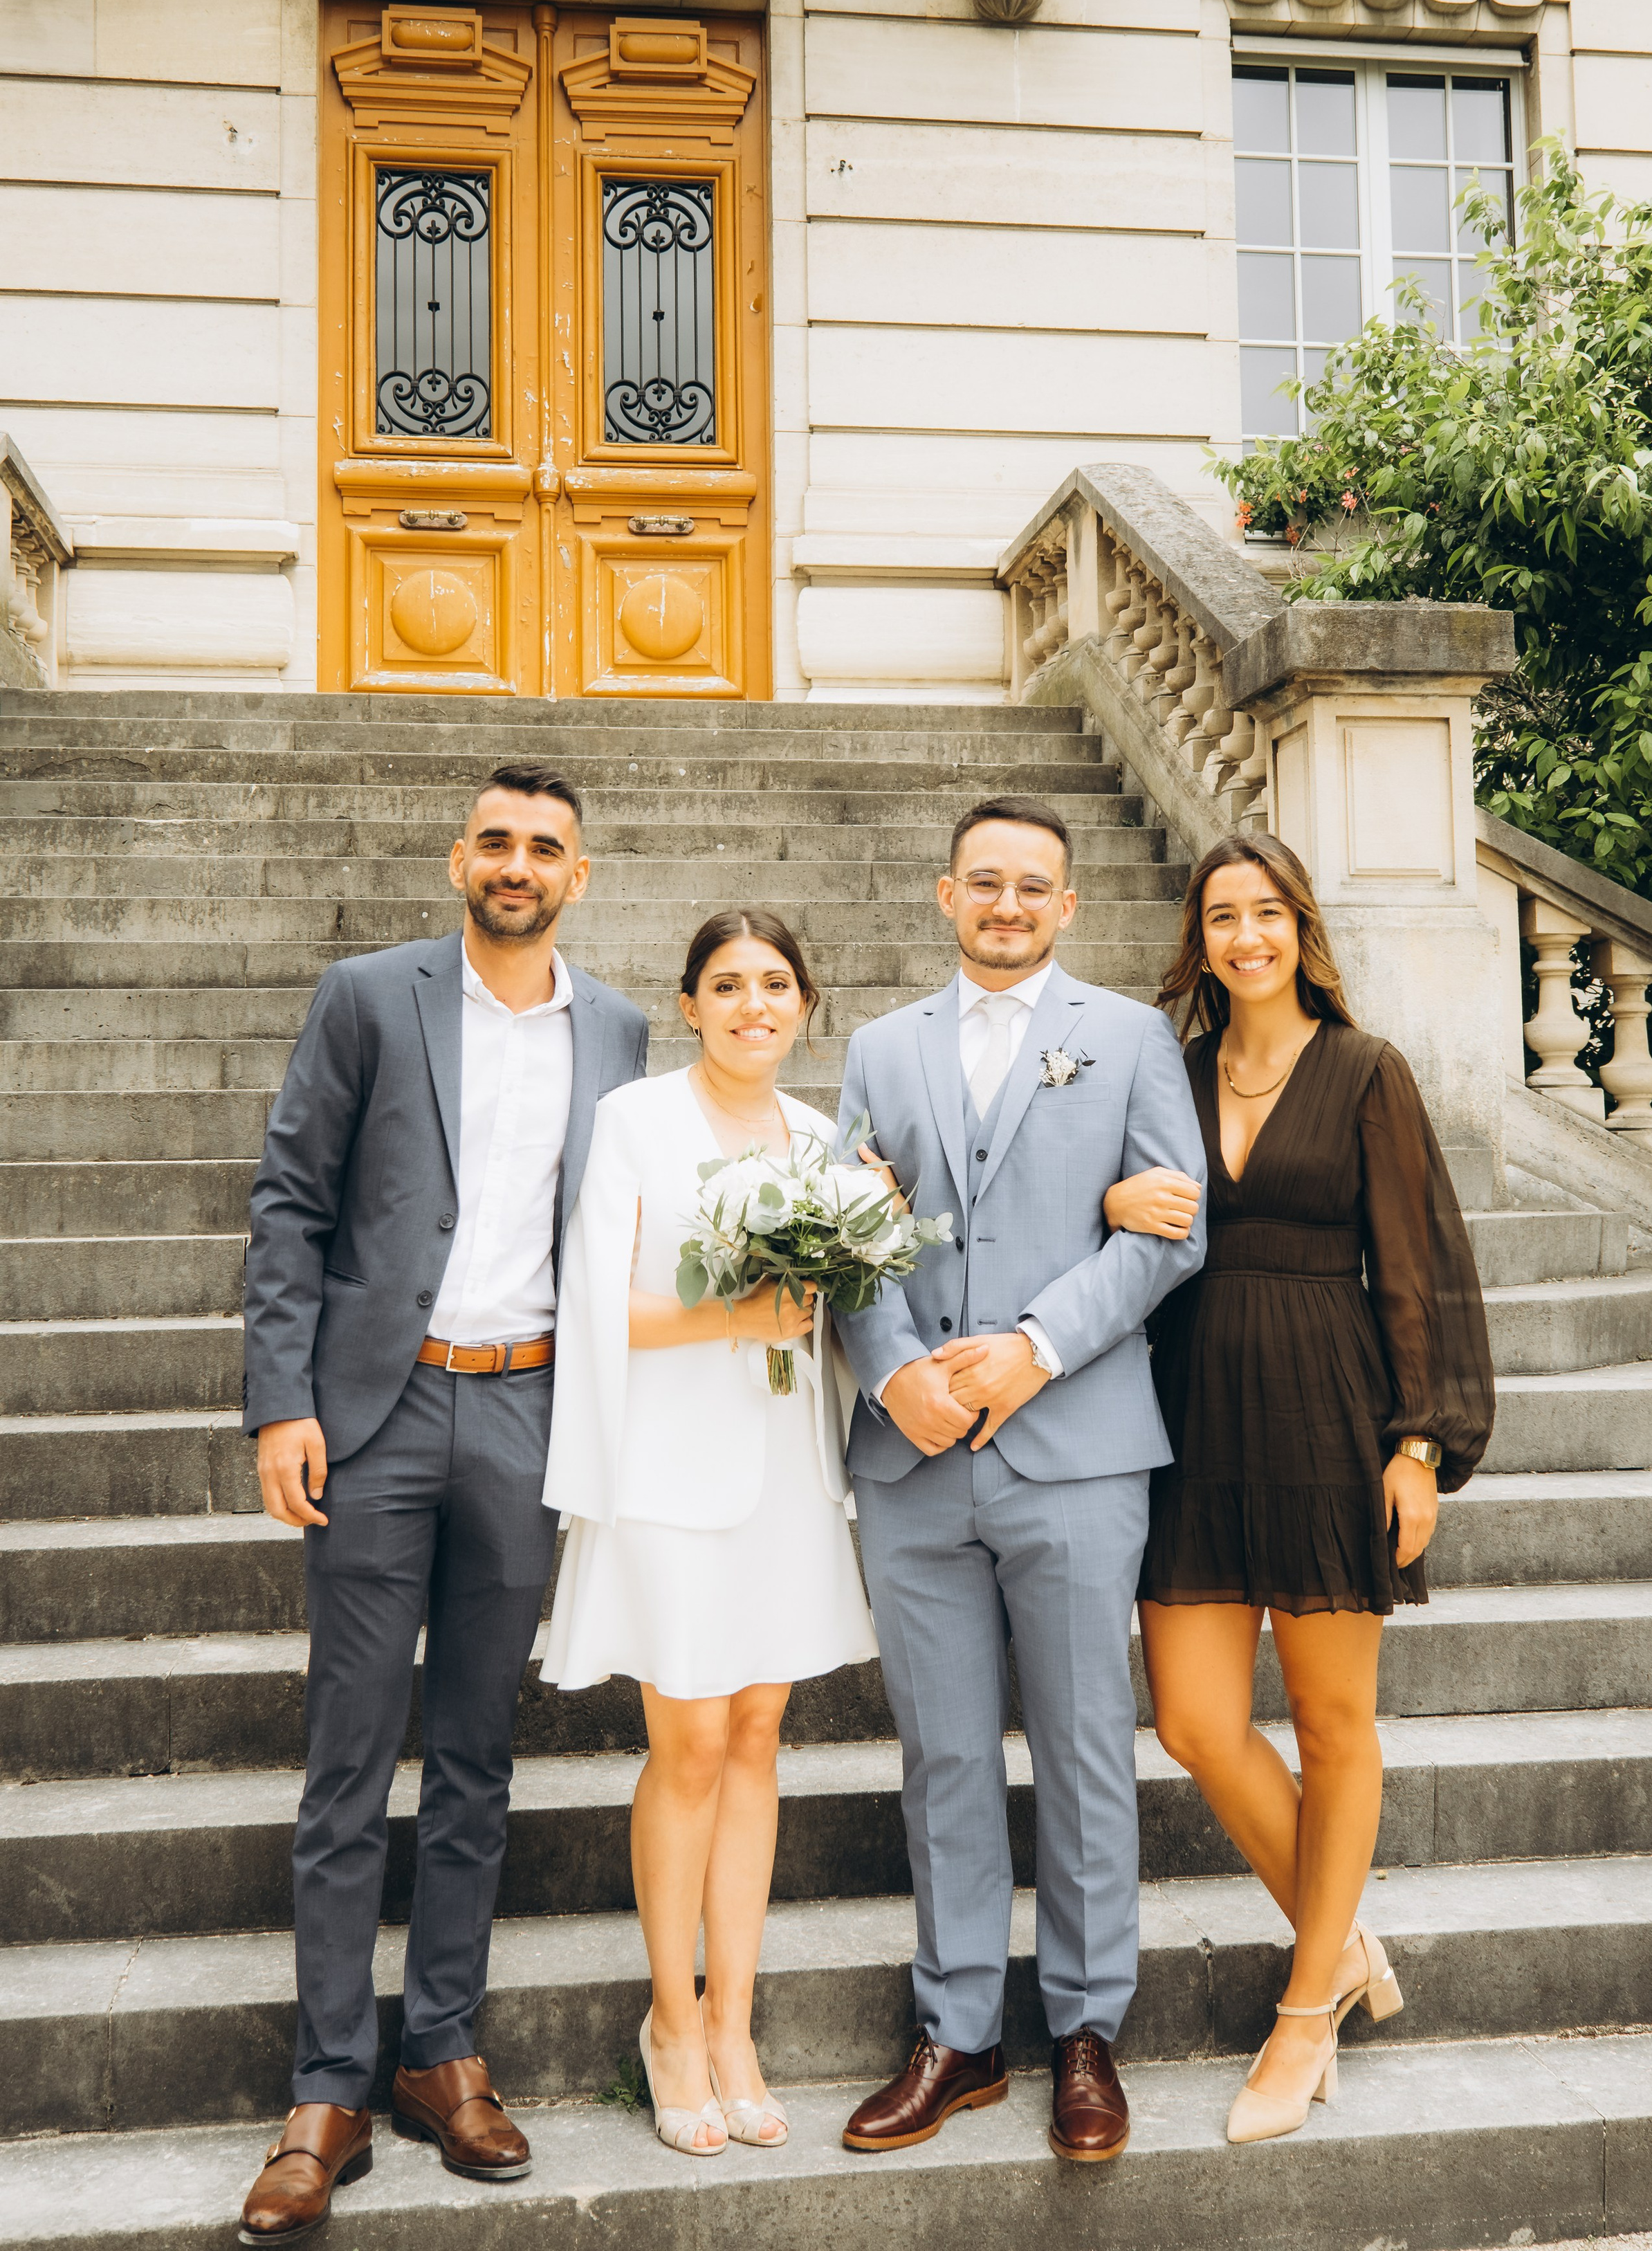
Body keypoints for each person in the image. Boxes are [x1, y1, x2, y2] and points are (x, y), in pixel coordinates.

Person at [237, 766, 648, 2243]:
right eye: (495, 841)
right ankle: (327, 2083)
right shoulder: (369, 997)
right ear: (457, 859)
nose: (516, 863)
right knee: (349, 1759)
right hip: (379, 1409)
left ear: (577, 875)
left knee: (477, 1754)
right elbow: (292, 1196)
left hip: (528, 1413)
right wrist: (284, 1400)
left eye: (544, 846)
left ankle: (441, 2053)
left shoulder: (616, 1029)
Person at [833, 796, 1208, 2166]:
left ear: (1066, 906)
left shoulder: (1124, 1041)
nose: (1004, 905)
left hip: (1074, 1452)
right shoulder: (876, 1050)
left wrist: (1034, 1349)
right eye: (981, 883)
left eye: (1030, 887)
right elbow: (842, 1230)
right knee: (940, 1753)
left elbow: (1171, 1228)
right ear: (945, 897)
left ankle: (1087, 2030)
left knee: (1082, 1748)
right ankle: (957, 2034)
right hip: (914, 1464)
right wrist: (896, 1377)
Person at [1117, 831, 1494, 2145]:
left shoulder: (1367, 1072)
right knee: (1195, 1722)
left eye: (1265, 912)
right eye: (1222, 916)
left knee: (1334, 1728)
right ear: (1200, 938)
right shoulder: (1166, 1073)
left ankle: (1300, 2012)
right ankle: (1338, 1947)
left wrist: (1421, 1444)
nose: (1245, 937)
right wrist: (1118, 1194)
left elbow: (1424, 1267)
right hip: (1194, 1423)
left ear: (1299, 926)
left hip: (1334, 1422)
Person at [542, 909, 877, 2158]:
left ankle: (736, 2023)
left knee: (757, 1736)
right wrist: (733, 1315)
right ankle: (670, 2022)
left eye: (776, 984)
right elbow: (600, 1305)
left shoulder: (822, 1137)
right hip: (668, 1472)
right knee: (686, 1745)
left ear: (803, 1005)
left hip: (786, 1469)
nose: (753, 1005)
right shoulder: (637, 1121)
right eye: (727, 985)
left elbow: (831, 1314)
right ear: (689, 1005)